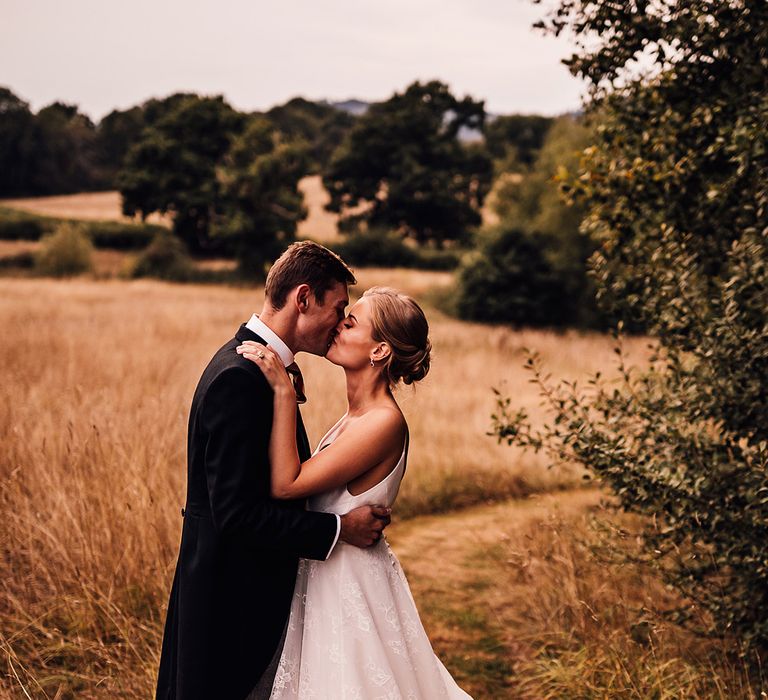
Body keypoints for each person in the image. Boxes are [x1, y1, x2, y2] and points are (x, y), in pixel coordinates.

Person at [156, 242, 392, 700]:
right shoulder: (240, 378)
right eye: (338, 307)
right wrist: (339, 529)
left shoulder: (263, 370)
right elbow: (237, 515)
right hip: (229, 604)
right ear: (303, 299)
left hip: (242, 597)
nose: (341, 322)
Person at [238, 286, 473, 699]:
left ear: (379, 351)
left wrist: (282, 395)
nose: (337, 326)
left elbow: (287, 484)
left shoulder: (382, 422)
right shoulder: (355, 417)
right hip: (327, 579)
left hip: (350, 591)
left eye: (351, 322)